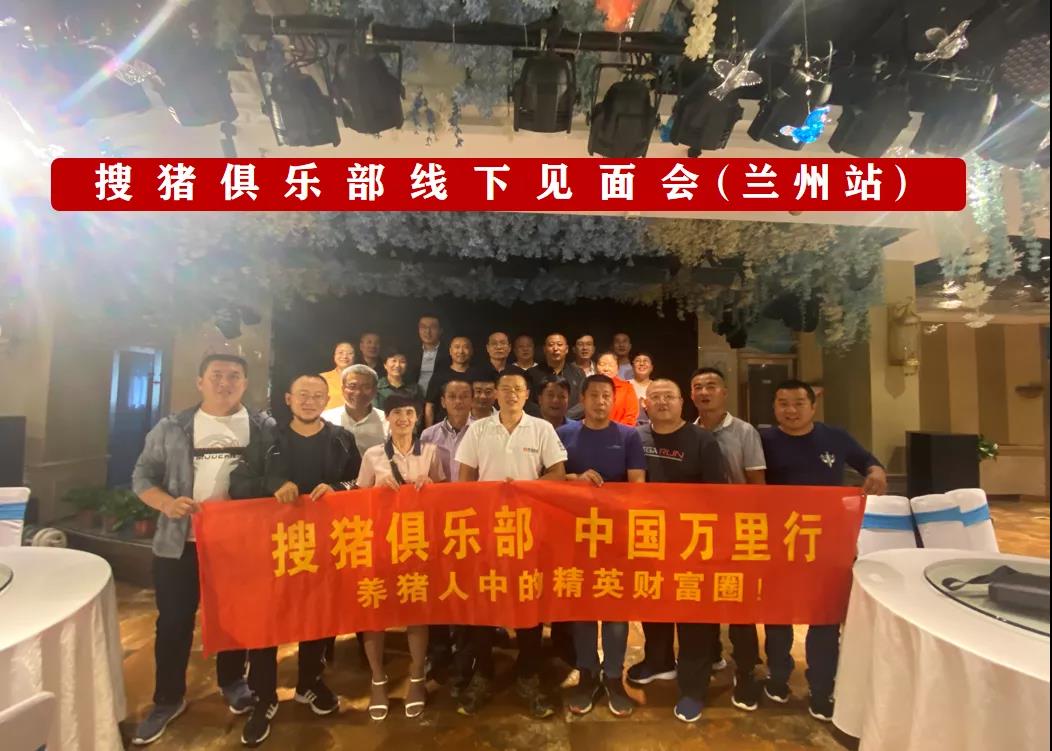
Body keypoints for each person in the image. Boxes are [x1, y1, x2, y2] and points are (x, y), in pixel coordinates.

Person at [130, 354, 269, 745]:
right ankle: (167, 699)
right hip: (181, 544)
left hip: (239, 545)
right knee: (174, 622)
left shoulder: (263, 428)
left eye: (234, 376)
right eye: (217, 375)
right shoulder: (172, 427)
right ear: (200, 381)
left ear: (245, 384)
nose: (225, 383)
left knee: (234, 618)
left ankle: (233, 681)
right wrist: (166, 503)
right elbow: (142, 475)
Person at [229, 374, 361, 745]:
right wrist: (271, 486)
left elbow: (359, 482)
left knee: (317, 615)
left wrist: (337, 489)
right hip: (271, 547)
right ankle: (264, 696)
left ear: (326, 399)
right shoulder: (267, 439)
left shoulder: (341, 439)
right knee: (267, 619)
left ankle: (309, 683)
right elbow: (237, 484)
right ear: (288, 399)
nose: (309, 401)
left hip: (322, 545)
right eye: (302, 394)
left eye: (317, 395)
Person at [760, 379, 887, 723]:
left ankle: (821, 687)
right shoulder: (763, 440)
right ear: (774, 408)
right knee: (777, 613)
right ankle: (777, 676)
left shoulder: (835, 437)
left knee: (825, 616)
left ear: (812, 406)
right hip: (778, 542)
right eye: (783, 403)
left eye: (798, 403)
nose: (791, 410)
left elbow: (867, 461)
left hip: (827, 543)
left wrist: (876, 470)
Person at [453, 369, 567, 719]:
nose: (511, 394)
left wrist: (525, 488)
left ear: (527, 394)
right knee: (483, 605)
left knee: (529, 605)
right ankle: (483, 673)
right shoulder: (478, 429)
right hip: (487, 533)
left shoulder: (542, 428)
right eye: (505, 388)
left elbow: (558, 473)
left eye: (518, 388)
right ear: (495, 394)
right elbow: (465, 480)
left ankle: (528, 675)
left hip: (529, 533)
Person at [659, 366, 766, 710]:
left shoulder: (745, 432)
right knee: (698, 605)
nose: (704, 392)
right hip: (694, 534)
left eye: (711, 386)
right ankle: (703, 671)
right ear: (690, 396)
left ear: (724, 392)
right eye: (698, 387)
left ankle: (746, 672)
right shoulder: (685, 433)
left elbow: (757, 486)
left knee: (739, 606)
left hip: (735, 531)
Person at [632, 378, 729, 723]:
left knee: (693, 615)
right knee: (652, 601)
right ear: (645, 404)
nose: (662, 402)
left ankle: (692, 687)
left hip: (692, 542)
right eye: (655, 397)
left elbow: (718, 494)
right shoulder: (635, 438)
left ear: (681, 402)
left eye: (669, 396)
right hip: (649, 538)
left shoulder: (702, 440)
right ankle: (658, 661)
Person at [558, 374, 646, 718]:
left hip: (615, 536)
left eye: (606, 395)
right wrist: (575, 480)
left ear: (614, 400)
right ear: (582, 399)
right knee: (581, 609)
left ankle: (613, 677)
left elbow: (638, 484)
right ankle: (587, 674)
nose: (600, 401)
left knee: (615, 610)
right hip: (574, 534)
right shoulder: (565, 434)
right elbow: (551, 478)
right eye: (593, 395)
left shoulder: (628, 436)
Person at [356, 394, 446, 721]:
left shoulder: (432, 452)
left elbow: (447, 498)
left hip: (418, 544)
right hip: (381, 543)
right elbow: (357, 502)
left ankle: (417, 678)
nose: (404, 418)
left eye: (409, 412)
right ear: (387, 418)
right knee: (375, 612)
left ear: (417, 417)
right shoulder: (373, 455)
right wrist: (376, 492)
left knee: (416, 609)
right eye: (397, 413)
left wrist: (431, 485)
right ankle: (378, 680)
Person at [419, 376, 475, 678]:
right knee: (438, 586)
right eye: (452, 396)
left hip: (472, 522)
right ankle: (438, 652)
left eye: (464, 395)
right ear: (442, 401)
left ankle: (466, 655)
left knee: (467, 587)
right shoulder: (427, 435)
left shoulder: (482, 431)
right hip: (437, 522)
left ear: (472, 400)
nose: (458, 401)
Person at [321, 365, 389, 457]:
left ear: (375, 390)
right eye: (352, 386)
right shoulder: (326, 419)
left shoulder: (388, 421)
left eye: (366, 387)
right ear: (342, 389)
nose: (358, 392)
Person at [527, 332, 586, 413]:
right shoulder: (531, 374)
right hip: (541, 419)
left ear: (566, 349)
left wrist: (566, 417)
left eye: (559, 344)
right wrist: (547, 416)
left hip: (572, 419)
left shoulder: (578, 373)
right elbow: (528, 402)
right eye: (551, 345)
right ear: (544, 349)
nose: (555, 348)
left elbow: (583, 401)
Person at [424, 336, 475, 427]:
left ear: (471, 351)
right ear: (450, 351)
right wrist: (429, 431)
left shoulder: (478, 375)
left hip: (472, 427)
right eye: (457, 347)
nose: (461, 351)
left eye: (465, 347)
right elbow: (430, 405)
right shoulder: (439, 375)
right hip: (443, 427)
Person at [374, 350, 425, 418]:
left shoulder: (416, 389)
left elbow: (418, 414)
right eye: (394, 361)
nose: (397, 365)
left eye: (402, 361)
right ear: (385, 365)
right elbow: (375, 413)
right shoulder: (375, 387)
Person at [595, 352, 639, 427]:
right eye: (602, 364)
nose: (606, 369)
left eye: (610, 365)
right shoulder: (588, 387)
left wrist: (615, 431)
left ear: (617, 369)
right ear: (596, 368)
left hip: (619, 431)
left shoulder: (627, 388)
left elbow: (631, 416)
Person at [409, 315, 450, 391]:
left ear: (440, 330)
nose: (428, 332)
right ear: (418, 330)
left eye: (433, 327)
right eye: (423, 327)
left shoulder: (449, 354)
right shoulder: (409, 352)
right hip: (412, 395)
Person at [320, 341, 356, 410]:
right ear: (334, 355)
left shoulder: (362, 379)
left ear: (355, 357)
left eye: (350, 353)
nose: (345, 356)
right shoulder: (322, 378)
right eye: (340, 352)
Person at [630, 352, 654, 425]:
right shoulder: (625, 385)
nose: (641, 364)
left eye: (645, 361)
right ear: (632, 366)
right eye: (638, 361)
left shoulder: (658, 387)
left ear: (651, 367)